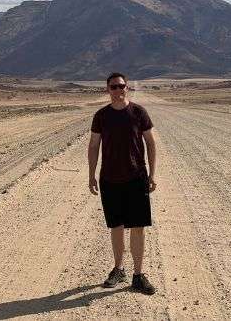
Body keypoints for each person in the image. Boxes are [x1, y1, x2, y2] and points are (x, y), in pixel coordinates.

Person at [88, 71, 157, 295]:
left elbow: (151, 143)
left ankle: (138, 275)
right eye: (113, 87)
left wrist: (152, 174)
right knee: (115, 228)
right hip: (110, 179)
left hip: (136, 178)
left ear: (127, 87)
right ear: (107, 90)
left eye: (121, 86)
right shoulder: (101, 116)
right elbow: (93, 146)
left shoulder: (138, 112)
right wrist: (91, 174)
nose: (118, 90)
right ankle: (118, 269)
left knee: (138, 227)